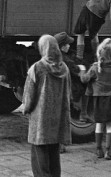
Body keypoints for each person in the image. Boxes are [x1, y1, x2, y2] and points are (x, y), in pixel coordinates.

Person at [23, 35, 71, 177]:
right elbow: (68, 94)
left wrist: (26, 109)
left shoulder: (37, 68)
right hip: (56, 119)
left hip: (40, 121)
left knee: (39, 157)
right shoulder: (65, 69)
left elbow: (29, 97)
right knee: (54, 154)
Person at [80, 38, 111, 160]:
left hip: (98, 100)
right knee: (110, 126)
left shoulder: (94, 68)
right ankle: (108, 151)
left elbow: (85, 79)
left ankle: (98, 149)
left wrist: (82, 70)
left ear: (99, 54)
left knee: (99, 125)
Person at [54, 31, 88, 150]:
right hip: (67, 91)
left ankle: (59, 144)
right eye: (67, 44)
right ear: (62, 46)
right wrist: (82, 68)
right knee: (63, 118)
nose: (69, 46)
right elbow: (77, 70)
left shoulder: (56, 56)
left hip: (59, 91)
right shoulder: (64, 60)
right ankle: (61, 145)